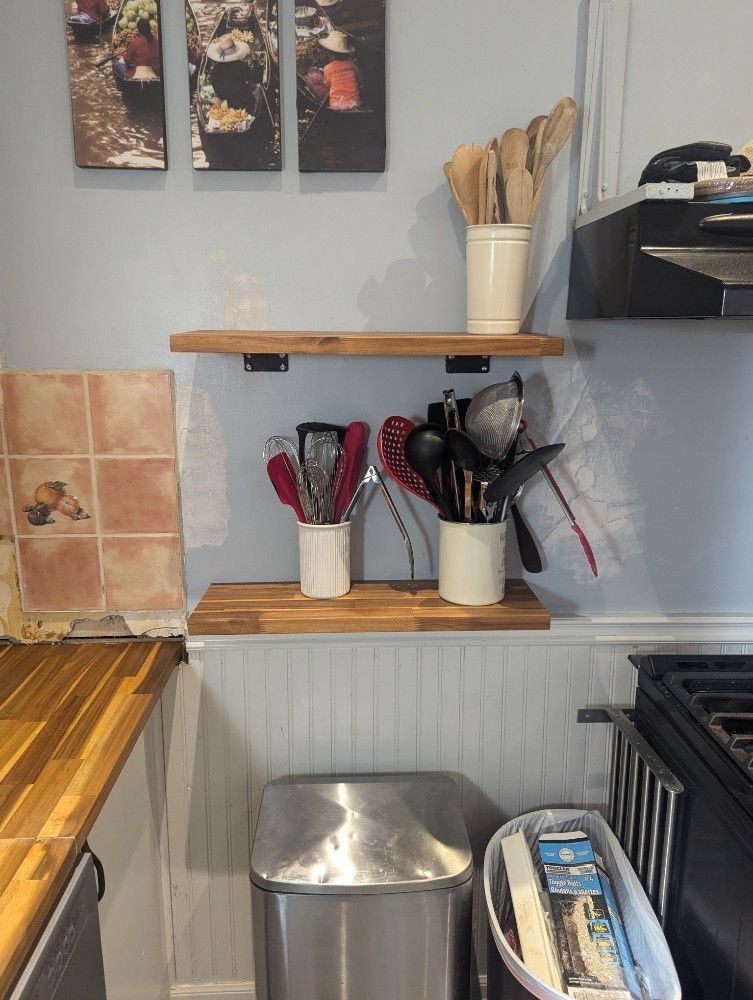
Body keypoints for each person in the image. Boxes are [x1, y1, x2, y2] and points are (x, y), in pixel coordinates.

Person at [206, 34, 260, 113]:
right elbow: (255, 78)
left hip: (224, 104)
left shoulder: (215, 69)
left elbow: (217, 88)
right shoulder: (240, 66)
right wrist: (256, 61)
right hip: (243, 103)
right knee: (254, 95)